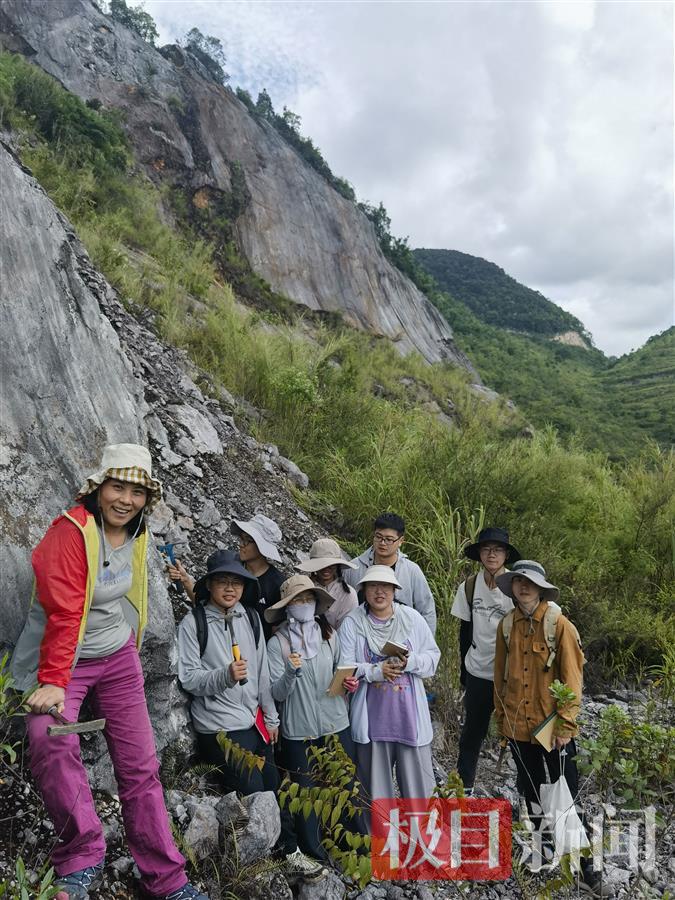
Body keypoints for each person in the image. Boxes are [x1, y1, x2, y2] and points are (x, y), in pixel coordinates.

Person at [10, 444, 207, 900]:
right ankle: (82, 854)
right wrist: (55, 681)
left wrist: (131, 646)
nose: (126, 499)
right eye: (118, 487)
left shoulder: (136, 533)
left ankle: (166, 879)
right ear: (98, 489)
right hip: (67, 662)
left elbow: (128, 590)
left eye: (137, 491)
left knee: (140, 766)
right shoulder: (69, 534)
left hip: (117, 657)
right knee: (46, 734)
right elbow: (63, 612)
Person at [177, 552, 324, 880]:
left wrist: (270, 718)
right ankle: (274, 860)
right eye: (222, 582)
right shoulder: (194, 624)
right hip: (219, 727)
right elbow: (189, 678)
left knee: (275, 786)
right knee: (257, 791)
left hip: (252, 724)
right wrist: (225, 676)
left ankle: (288, 851)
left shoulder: (252, 619)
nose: (230, 588)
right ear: (209, 585)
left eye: (236, 582)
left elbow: (260, 677)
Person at [493, 561, 603, 894]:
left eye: (530, 583)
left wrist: (566, 726)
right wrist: (502, 720)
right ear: (512, 587)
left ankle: (588, 867)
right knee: (530, 791)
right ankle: (546, 849)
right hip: (518, 727)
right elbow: (499, 678)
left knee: (567, 795)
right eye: (518, 582)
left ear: (541, 588)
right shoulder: (506, 626)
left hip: (553, 728)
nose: (523, 587)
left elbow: (572, 680)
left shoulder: (560, 626)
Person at [266, 574, 358, 862]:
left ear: (317, 603)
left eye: (308, 599)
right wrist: (291, 673)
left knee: (346, 787)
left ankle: (353, 847)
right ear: (286, 607)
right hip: (298, 730)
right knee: (307, 795)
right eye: (297, 600)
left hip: (336, 724)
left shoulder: (329, 634)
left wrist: (348, 683)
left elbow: (341, 671)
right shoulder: (278, 644)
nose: (304, 604)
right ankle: (315, 852)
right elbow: (276, 694)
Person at [339, 566, 440, 817]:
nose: (379, 591)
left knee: (419, 792)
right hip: (372, 722)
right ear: (364, 590)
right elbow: (344, 667)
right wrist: (376, 671)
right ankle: (379, 848)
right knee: (375, 794)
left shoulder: (412, 618)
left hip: (409, 719)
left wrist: (410, 662)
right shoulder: (353, 622)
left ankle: (423, 845)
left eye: (385, 586)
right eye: (373, 586)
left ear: (395, 590)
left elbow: (432, 659)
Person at [450, 526, 520, 795]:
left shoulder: (516, 588)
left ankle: (526, 796)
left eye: (498, 549)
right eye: (487, 549)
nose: (492, 554)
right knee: (471, 734)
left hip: (508, 675)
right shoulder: (468, 587)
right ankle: (463, 790)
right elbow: (464, 632)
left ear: (506, 555)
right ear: (479, 554)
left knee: (517, 737)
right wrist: (463, 675)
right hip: (477, 671)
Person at [167, 513, 285, 642]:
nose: (241, 544)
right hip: (217, 642)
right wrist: (185, 580)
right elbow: (206, 605)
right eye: (241, 539)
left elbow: (277, 631)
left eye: (247, 540)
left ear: (262, 547)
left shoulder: (277, 584)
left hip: (253, 651)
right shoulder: (230, 568)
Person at [344, 512, 436, 634]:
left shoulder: (411, 571)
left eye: (389, 539)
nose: (382, 543)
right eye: (378, 537)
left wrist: (425, 645)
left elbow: (427, 610)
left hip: (402, 639)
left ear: (401, 540)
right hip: (361, 637)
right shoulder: (354, 567)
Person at [295, 538, 358, 629]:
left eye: (331, 564)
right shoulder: (303, 587)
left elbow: (346, 630)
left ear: (337, 565)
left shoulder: (348, 595)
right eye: (321, 564)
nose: (326, 568)